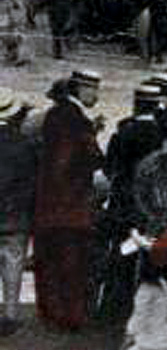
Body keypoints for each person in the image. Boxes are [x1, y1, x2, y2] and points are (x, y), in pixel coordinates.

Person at [35, 69, 104, 332]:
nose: (96, 95)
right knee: (72, 263)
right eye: (94, 89)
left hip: (47, 201)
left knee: (48, 261)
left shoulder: (54, 115)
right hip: (71, 203)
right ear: (82, 89)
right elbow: (82, 159)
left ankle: (50, 313)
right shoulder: (78, 121)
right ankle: (71, 316)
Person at [0, 90, 36, 336]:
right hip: (15, 214)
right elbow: (31, 180)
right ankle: (10, 314)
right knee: (13, 265)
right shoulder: (23, 143)